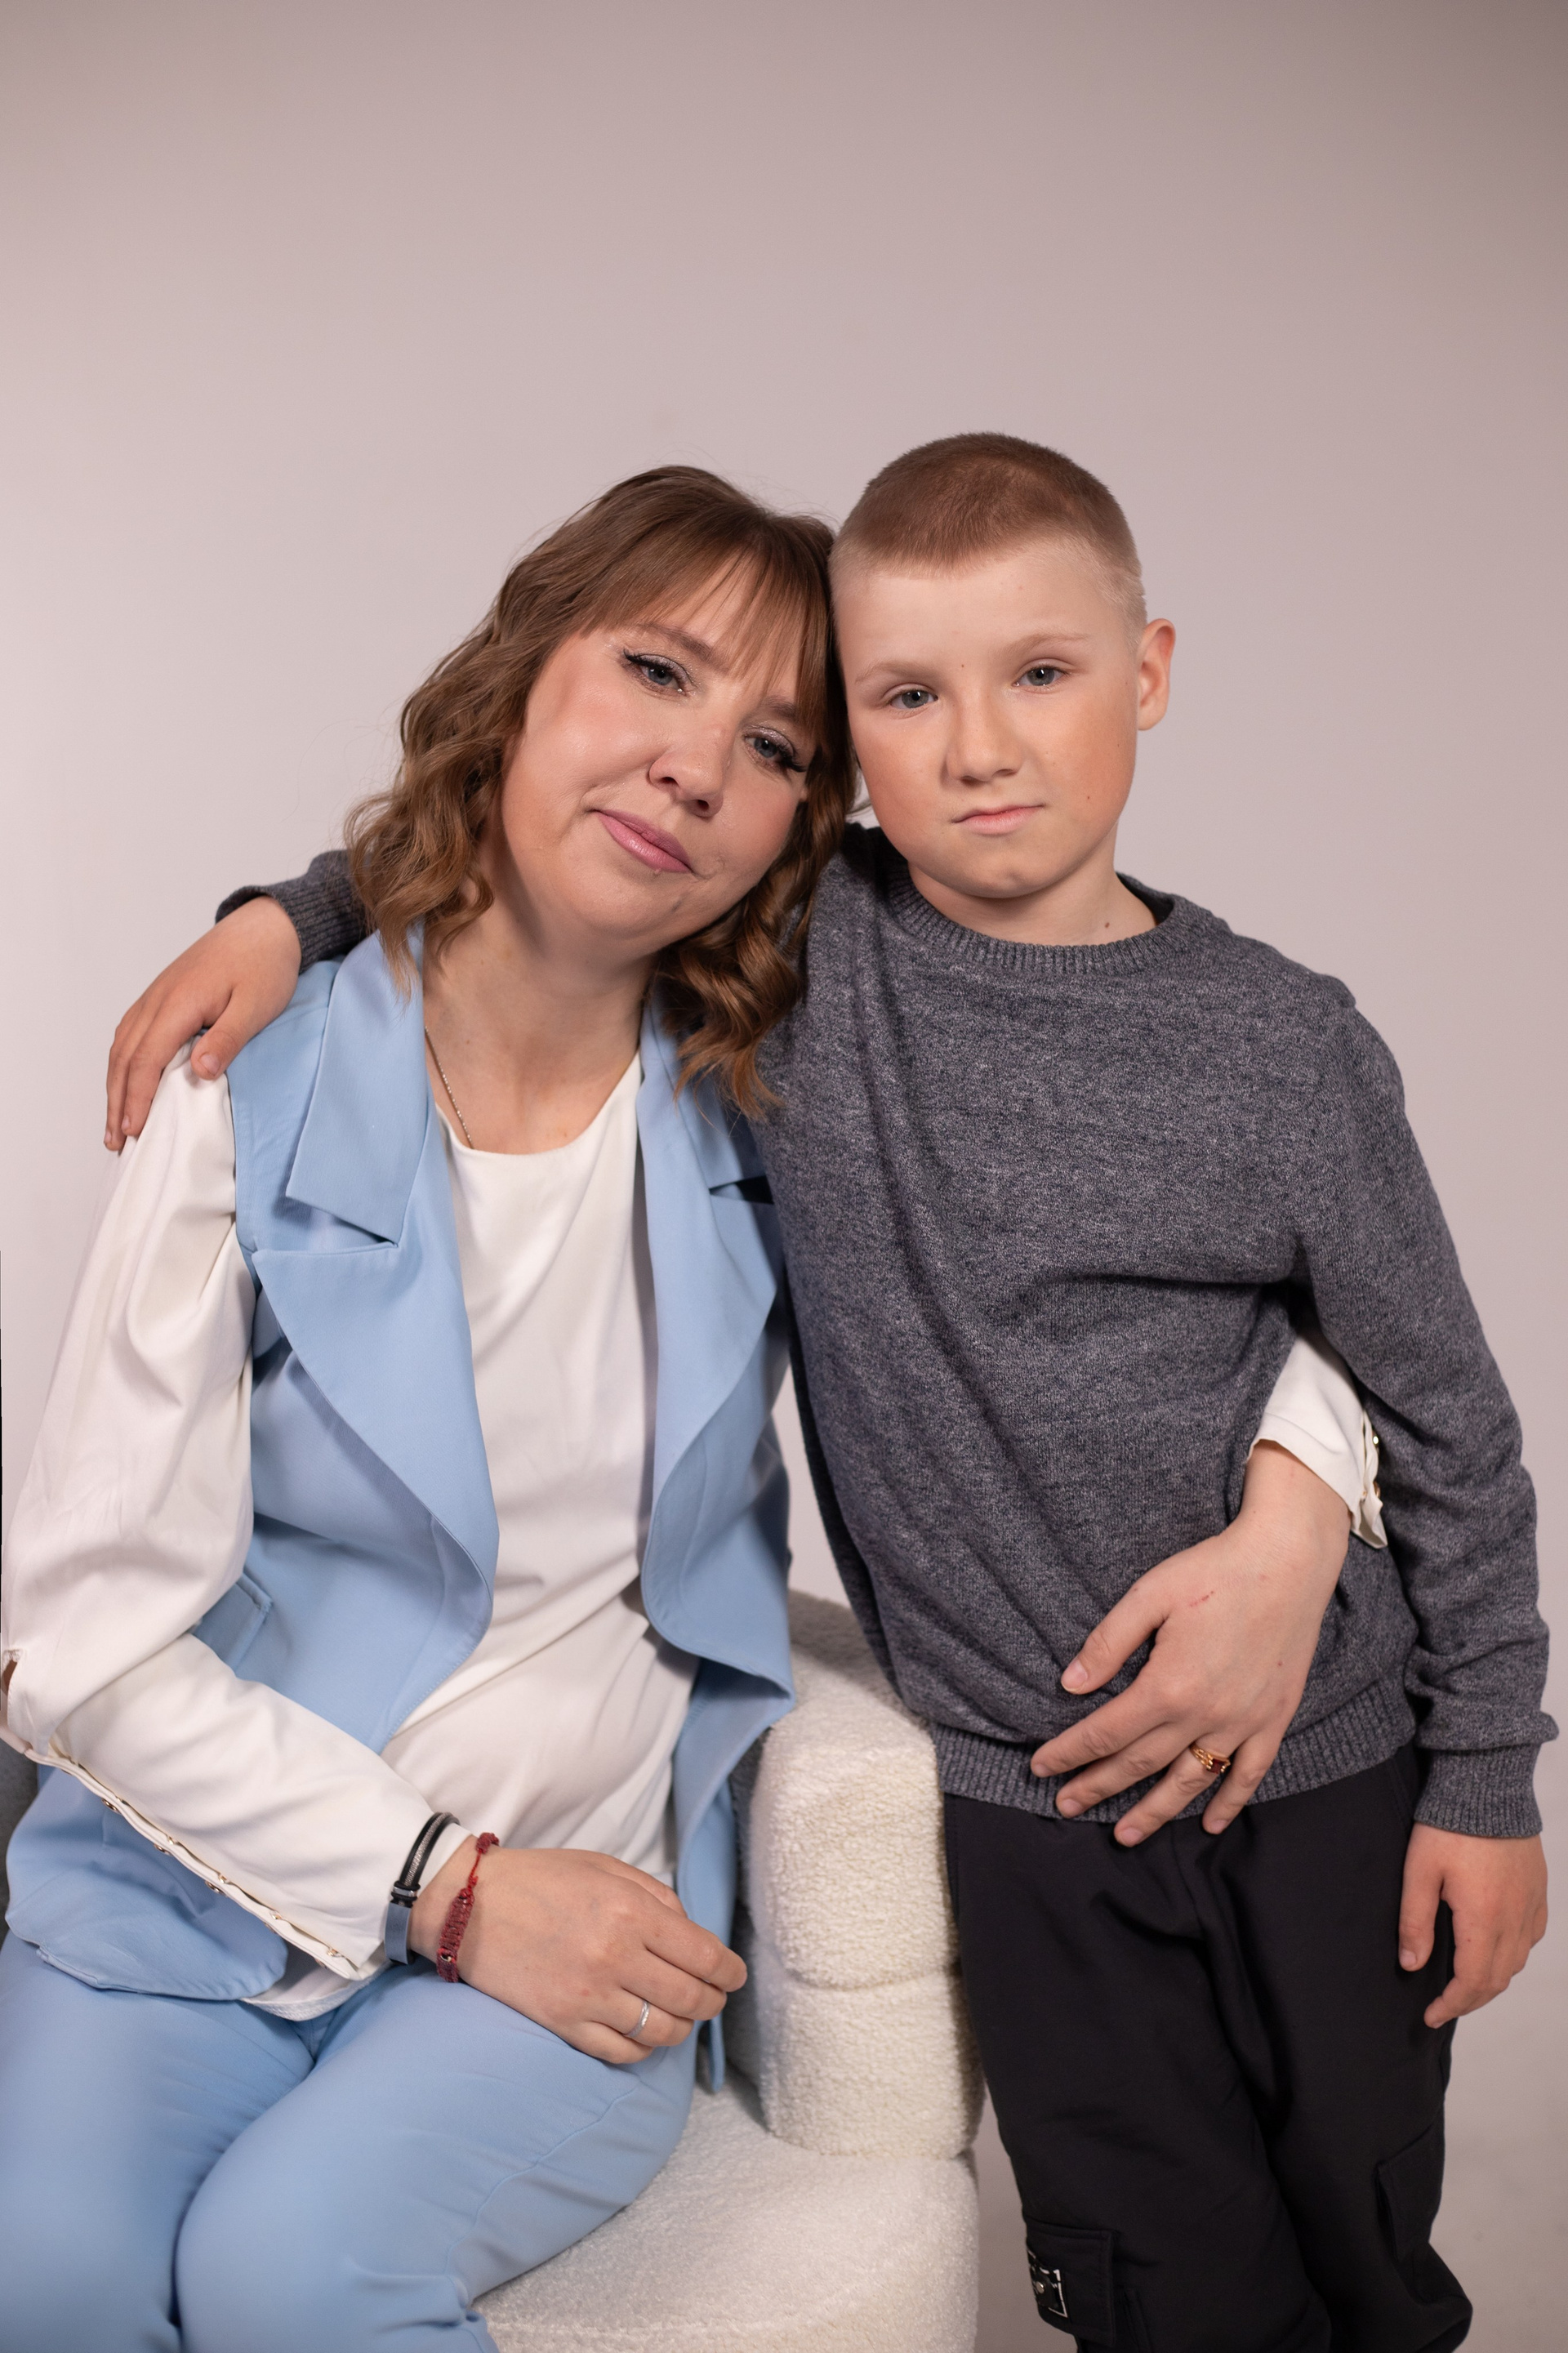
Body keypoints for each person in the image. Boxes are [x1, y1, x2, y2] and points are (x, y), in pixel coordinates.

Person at [74, 450, 1400, 2351]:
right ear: (523, 670)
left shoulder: (799, 1078)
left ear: (806, 821)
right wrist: (292, 913)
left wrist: (1298, 1502)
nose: (698, 764)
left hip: (593, 1891)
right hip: (194, 1890)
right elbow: (71, 1630)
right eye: (654, 670)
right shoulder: (254, 1074)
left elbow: (1228, 1266)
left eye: (777, 744)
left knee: (286, 2277)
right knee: (45, 2279)